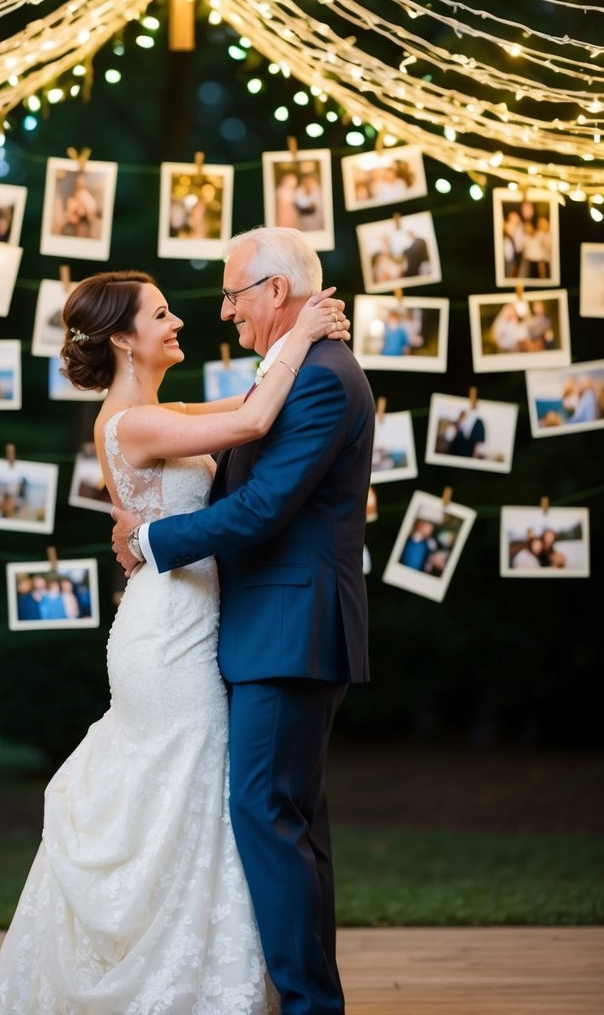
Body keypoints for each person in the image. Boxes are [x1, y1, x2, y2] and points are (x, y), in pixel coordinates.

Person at [0, 248, 352, 1015]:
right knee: (191, 788)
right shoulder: (133, 422)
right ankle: (166, 977)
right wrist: (301, 332)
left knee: (207, 797)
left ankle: (193, 970)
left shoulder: (163, 413)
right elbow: (251, 417)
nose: (181, 319)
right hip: (167, 635)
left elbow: (252, 410)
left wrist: (294, 345)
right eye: (160, 314)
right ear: (121, 339)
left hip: (191, 617)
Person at [111, 227, 375, 1015]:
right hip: (273, 628)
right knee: (290, 818)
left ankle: (307, 1006)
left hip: (290, 631)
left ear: (274, 292)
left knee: (265, 813)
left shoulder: (322, 378)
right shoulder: (300, 370)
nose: (223, 311)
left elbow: (261, 508)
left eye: (232, 294)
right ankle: (312, 1000)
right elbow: (241, 445)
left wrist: (153, 538)